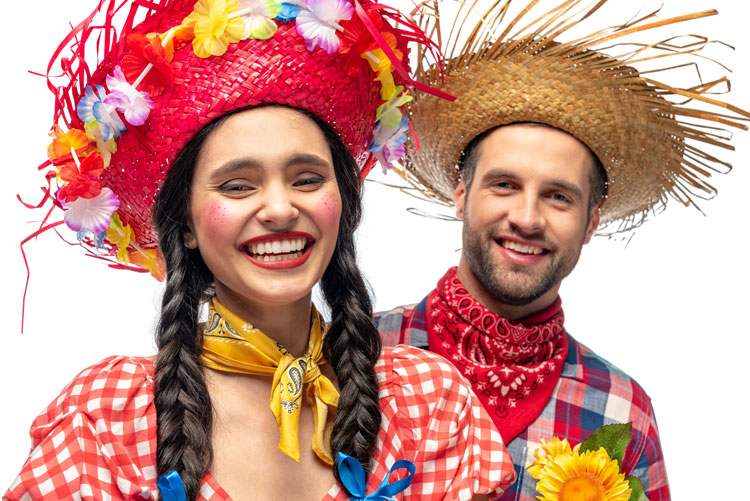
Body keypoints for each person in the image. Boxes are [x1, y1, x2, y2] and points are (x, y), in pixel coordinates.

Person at [5, 0, 516, 499]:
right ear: (184, 226)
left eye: (307, 179)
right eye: (237, 186)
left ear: (342, 200)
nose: (279, 208)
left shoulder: (428, 402)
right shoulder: (108, 419)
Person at [374, 0, 750, 500]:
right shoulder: (350, 354)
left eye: (558, 196)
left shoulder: (621, 411)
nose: (527, 218)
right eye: (504, 185)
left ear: (590, 221)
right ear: (461, 195)